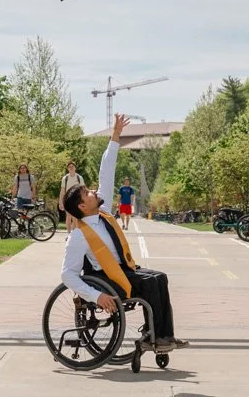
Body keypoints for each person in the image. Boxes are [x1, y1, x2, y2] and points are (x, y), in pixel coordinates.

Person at [60, 114, 188, 352]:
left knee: (160, 277)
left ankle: (163, 336)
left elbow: (106, 173)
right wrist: (95, 296)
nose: (94, 192)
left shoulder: (104, 213)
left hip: (126, 271)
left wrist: (115, 137)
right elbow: (68, 275)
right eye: (88, 193)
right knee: (151, 282)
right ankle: (157, 338)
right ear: (81, 206)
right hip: (109, 280)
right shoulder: (79, 236)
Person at [59, 161, 84, 232]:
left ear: (75, 168)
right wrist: (60, 202)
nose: (71, 168)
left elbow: (83, 189)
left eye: (72, 166)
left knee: (75, 217)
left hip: (77, 199)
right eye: (69, 167)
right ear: (67, 169)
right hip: (67, 199)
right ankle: (69, 233)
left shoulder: (79, 177)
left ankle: (74, 233)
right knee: (68, 216)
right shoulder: (65, 178)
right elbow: (62, 191)